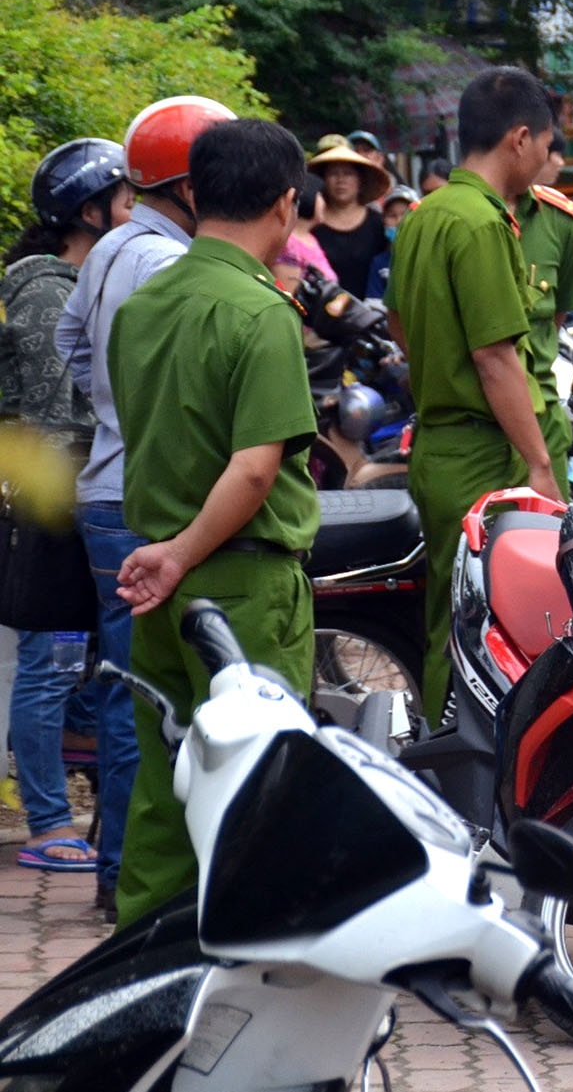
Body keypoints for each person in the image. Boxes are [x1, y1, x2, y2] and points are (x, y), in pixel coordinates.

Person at [107, 118, 320, 927]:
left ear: (194, 195)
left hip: (155, 575)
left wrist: (166, 556)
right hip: (240, 583)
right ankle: (252, 971)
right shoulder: (261, 311)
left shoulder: (144, 302)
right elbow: (255, 467)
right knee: (256, 790)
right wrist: (186, 552)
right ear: (286, 203)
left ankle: (145, 971)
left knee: (164, 791)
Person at [57, 94, 235, 922]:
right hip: (142, 495)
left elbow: (69, 344)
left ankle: (119, 866)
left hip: (104, 486)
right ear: (194, 190)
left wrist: (106, 409)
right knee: (151, 697)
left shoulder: (111, 247)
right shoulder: (169, 265)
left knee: (133, 688)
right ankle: (130, 878)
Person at [387, 68, 560, 724]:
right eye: (544, 146)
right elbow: (496, 358)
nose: (545, 160)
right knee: (484, 628)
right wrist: (539, 463)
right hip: (485, 455)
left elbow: (398, 324)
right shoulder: (484, 224)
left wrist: (438, 367)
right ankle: (470, 774)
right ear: (519, 138)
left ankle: (440, 756)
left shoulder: (425, 216)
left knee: (447, 621)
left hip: (436, 447)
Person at [3, 139, 131, 889]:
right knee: (49, 661)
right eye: (123, 199)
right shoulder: (48, 289)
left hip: (65, 488)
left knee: (68, 659)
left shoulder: (62, 278)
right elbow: (62, 414)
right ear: (88, 212)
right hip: (51, 492)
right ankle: (47, 821)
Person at [515, 127, 573, 497]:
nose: (553, 159)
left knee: (549, 544)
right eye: (547, 147)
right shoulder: (433, 218)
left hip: (544, 419)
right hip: (468, 432)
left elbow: (557, 317)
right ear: (519, 141)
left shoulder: (560, 221)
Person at [308, 142, 392, 296]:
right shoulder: (312, 223)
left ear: (360, 181)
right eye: (333, 174)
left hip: (369, 312)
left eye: (348, 173)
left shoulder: (378, 223)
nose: (341, 180)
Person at [273, 171, 335, 294]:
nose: (325, 203)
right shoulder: (289, 245)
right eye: (321, 196)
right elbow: (288, 292)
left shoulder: (310, 238)